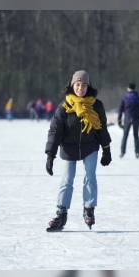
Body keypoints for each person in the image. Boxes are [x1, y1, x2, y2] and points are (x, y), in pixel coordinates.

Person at [44, 70, 112, 232]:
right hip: (68, 147)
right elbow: (55, 131)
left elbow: (101, 128)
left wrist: (106, 149)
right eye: (77, 85)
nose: (80, 88)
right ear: (72, 85)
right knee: (67, 180)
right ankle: (61, 213)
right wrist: (50, 155)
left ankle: (89, 209)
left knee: (90, 177)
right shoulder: (64, 107)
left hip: (90, 146)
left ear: (88, 87)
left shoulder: (96, 106)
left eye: (83, 85)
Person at [118, 83, 139, 159]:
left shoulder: (125, 98)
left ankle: (122, 152)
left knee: (125, 135)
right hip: (136, 119)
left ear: (128, 89)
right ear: (135, 89)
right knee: (136, 136)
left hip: (127, 119)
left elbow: (120, 110)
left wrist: (119, 121)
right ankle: (137, 152)